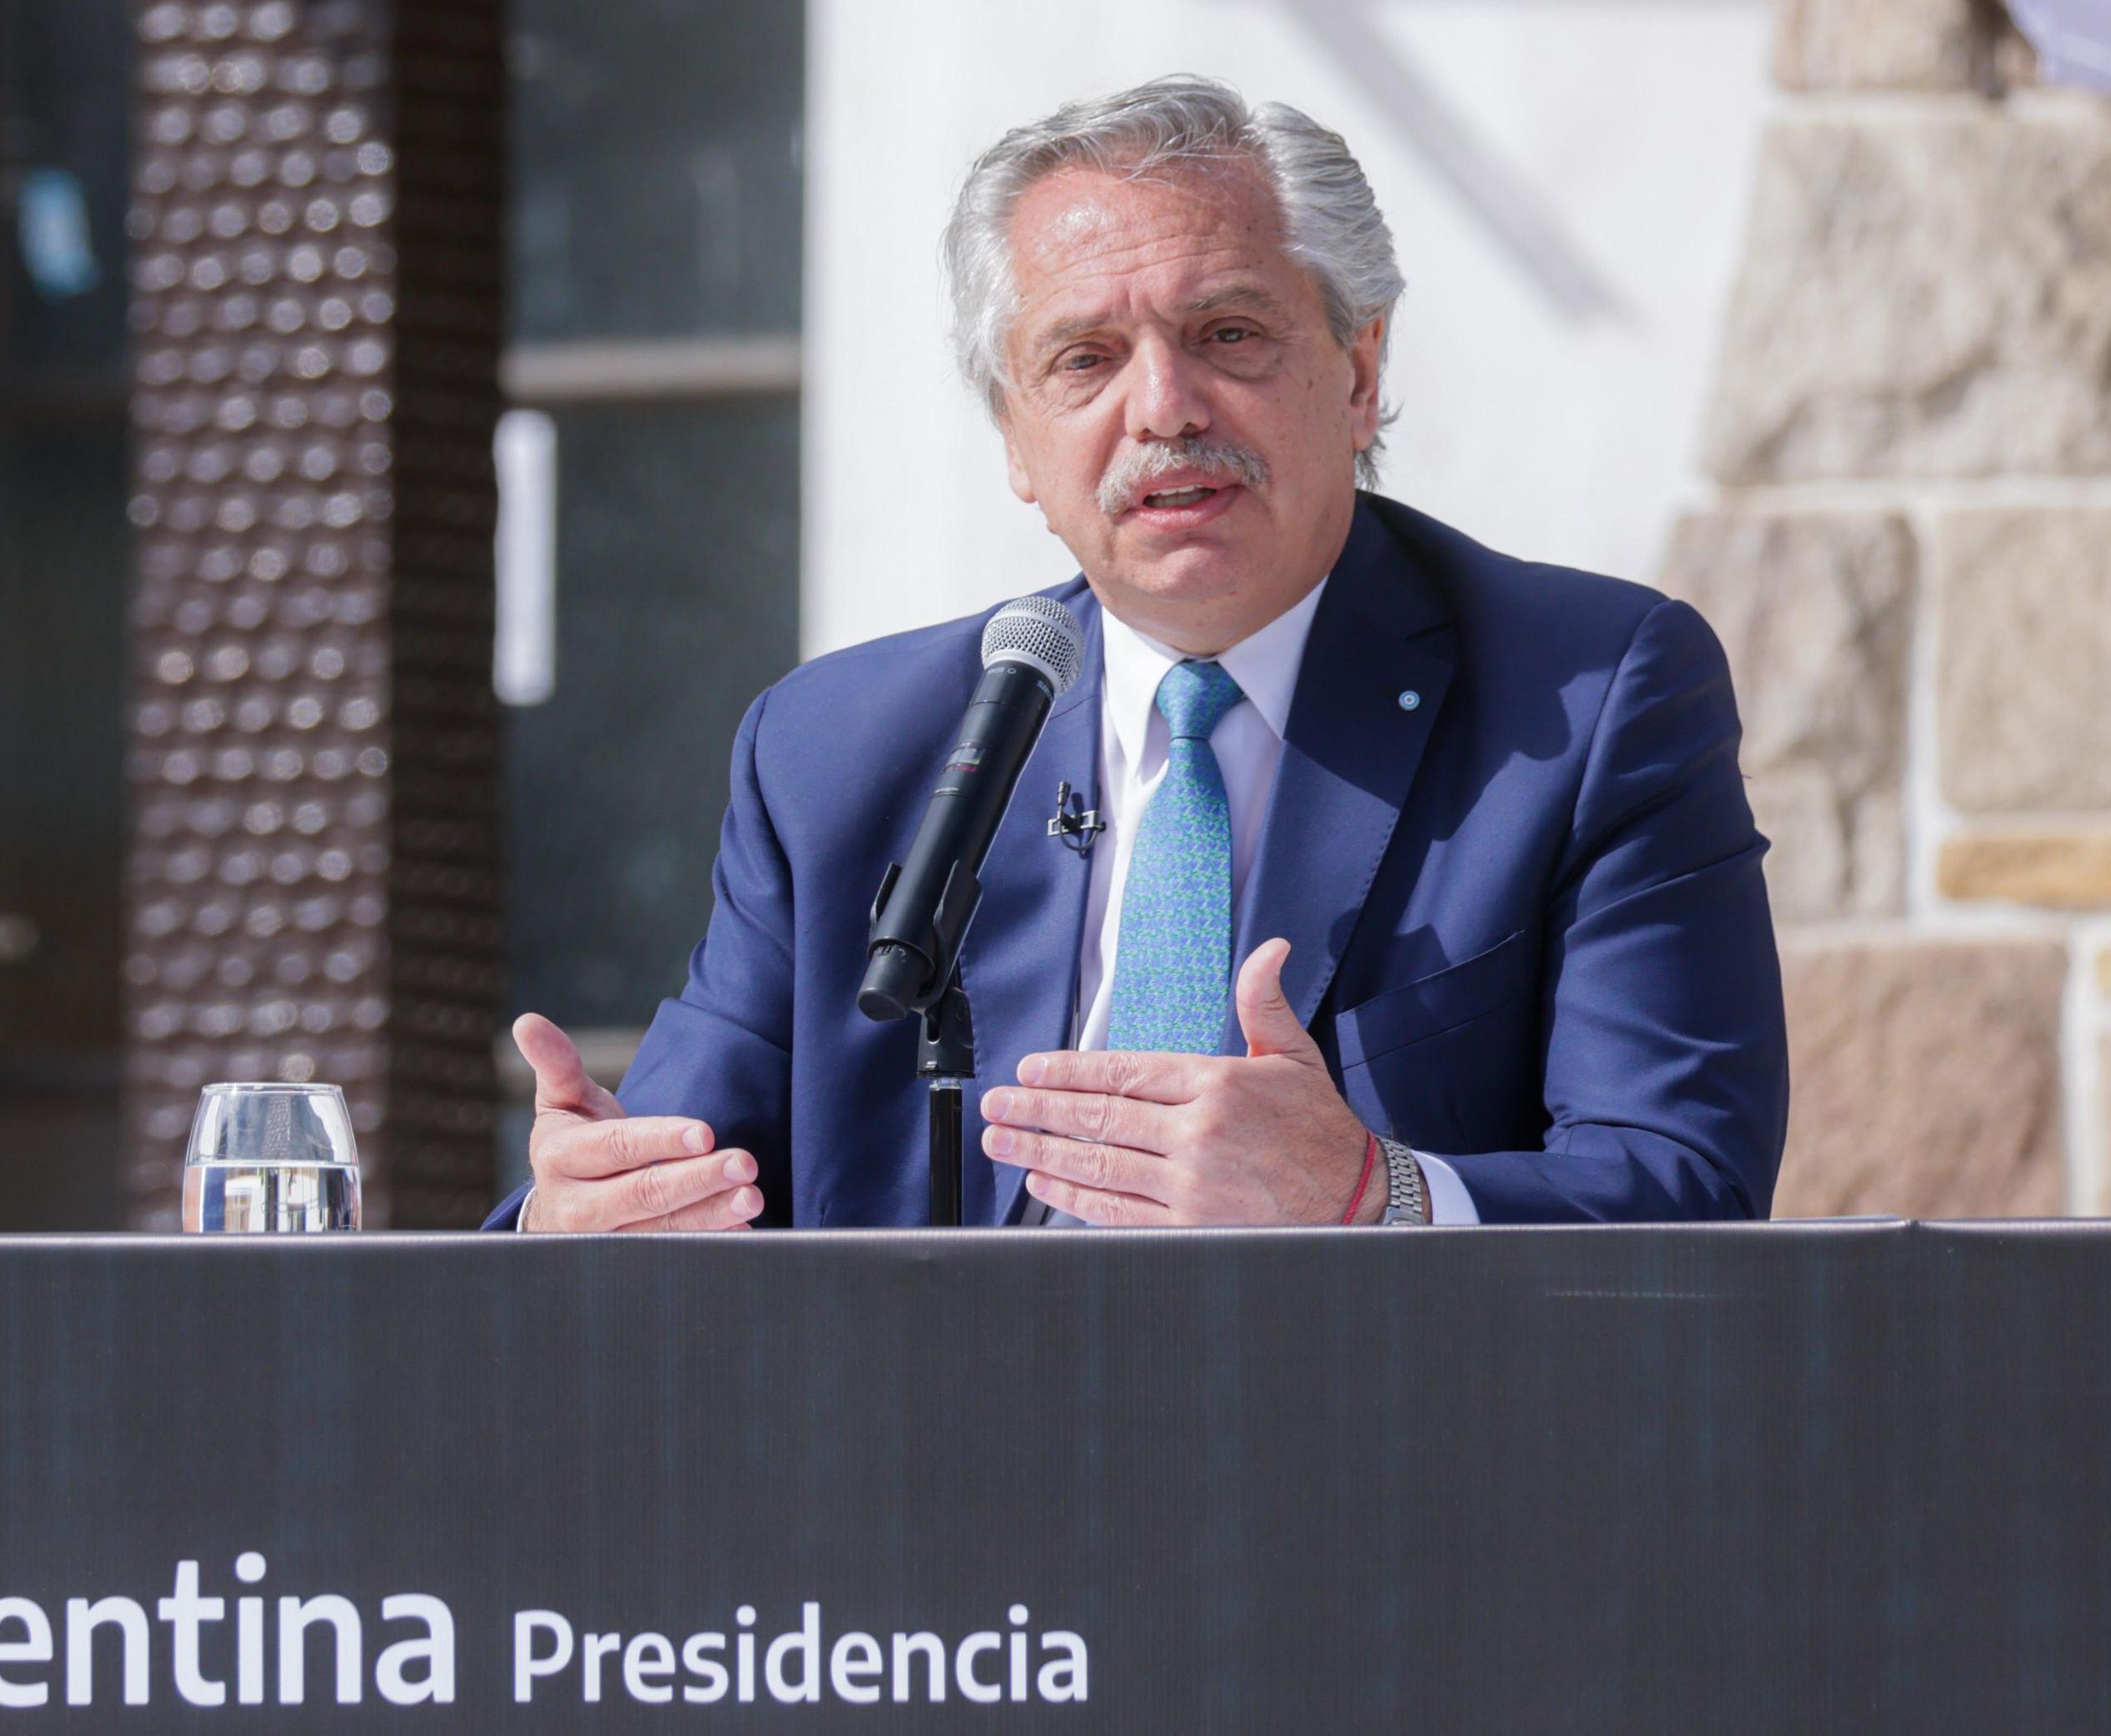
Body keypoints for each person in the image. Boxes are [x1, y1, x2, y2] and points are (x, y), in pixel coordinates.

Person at [504, 75, 1784, 1231]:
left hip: (1371, 1455)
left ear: (1357, 367)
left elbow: (1683, 1184)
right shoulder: (838, 752)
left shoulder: (1589, 696)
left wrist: (1369, 1195)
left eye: (1227, 333)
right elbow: (670, 1173)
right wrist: (582, 1220)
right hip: (933, 1465)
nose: (1164, 409)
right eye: (1086, 359)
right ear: (1015, 435)